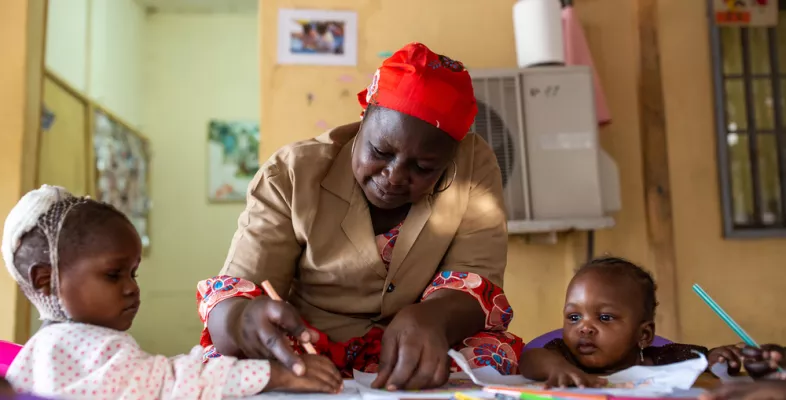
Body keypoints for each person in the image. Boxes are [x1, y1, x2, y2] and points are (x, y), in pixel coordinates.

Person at [196, 42, 522, 391]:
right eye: (380, 151)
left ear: (449, 157)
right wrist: (243, 318)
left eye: (424, 168)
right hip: (309, 344)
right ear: (363, 118)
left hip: (417, 341)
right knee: (227, 368)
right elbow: (239, 293)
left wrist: (433, 317)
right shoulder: (289, 175)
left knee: (491, 358)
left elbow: (475, 278)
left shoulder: (472, 166)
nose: (395, 176)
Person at [1, 185, 342, 399]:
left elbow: (155, 376)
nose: (131, 289)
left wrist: (210, 358)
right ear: (46, 280)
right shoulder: (72, 345)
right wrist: (279, 375)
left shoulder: (55, 345)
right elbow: (170, 385)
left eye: (133, 273)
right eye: (112, 275)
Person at [519, 256, 747, 388]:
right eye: (574, 317)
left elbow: (700, 361)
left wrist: (717, 358)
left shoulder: (662, 360)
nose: (584, 327)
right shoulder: (563, 356)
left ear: (644, 335)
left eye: (605, 317)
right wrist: (558, 369)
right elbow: (530, 358)